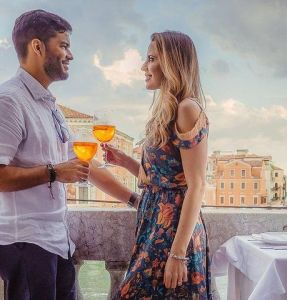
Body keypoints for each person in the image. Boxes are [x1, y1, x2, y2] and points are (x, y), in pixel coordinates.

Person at [0, 9, 138, 300]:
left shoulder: (50, 106)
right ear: (37, 47)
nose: (71, 54)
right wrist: (54, 172)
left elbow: (82, 164)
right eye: (63, 45)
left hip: (57, 242)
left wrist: (136, 200)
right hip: (25, 244)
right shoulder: (9, 101)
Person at [103, 31, 212, 299]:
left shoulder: (187, 108)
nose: (143, 67)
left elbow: (196, 185)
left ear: (172, 64)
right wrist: (124, 161)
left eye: (151, 59)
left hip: (173, 232)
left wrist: (177, 255)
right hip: (153, 226)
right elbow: (160, 178)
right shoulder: (166, 111)